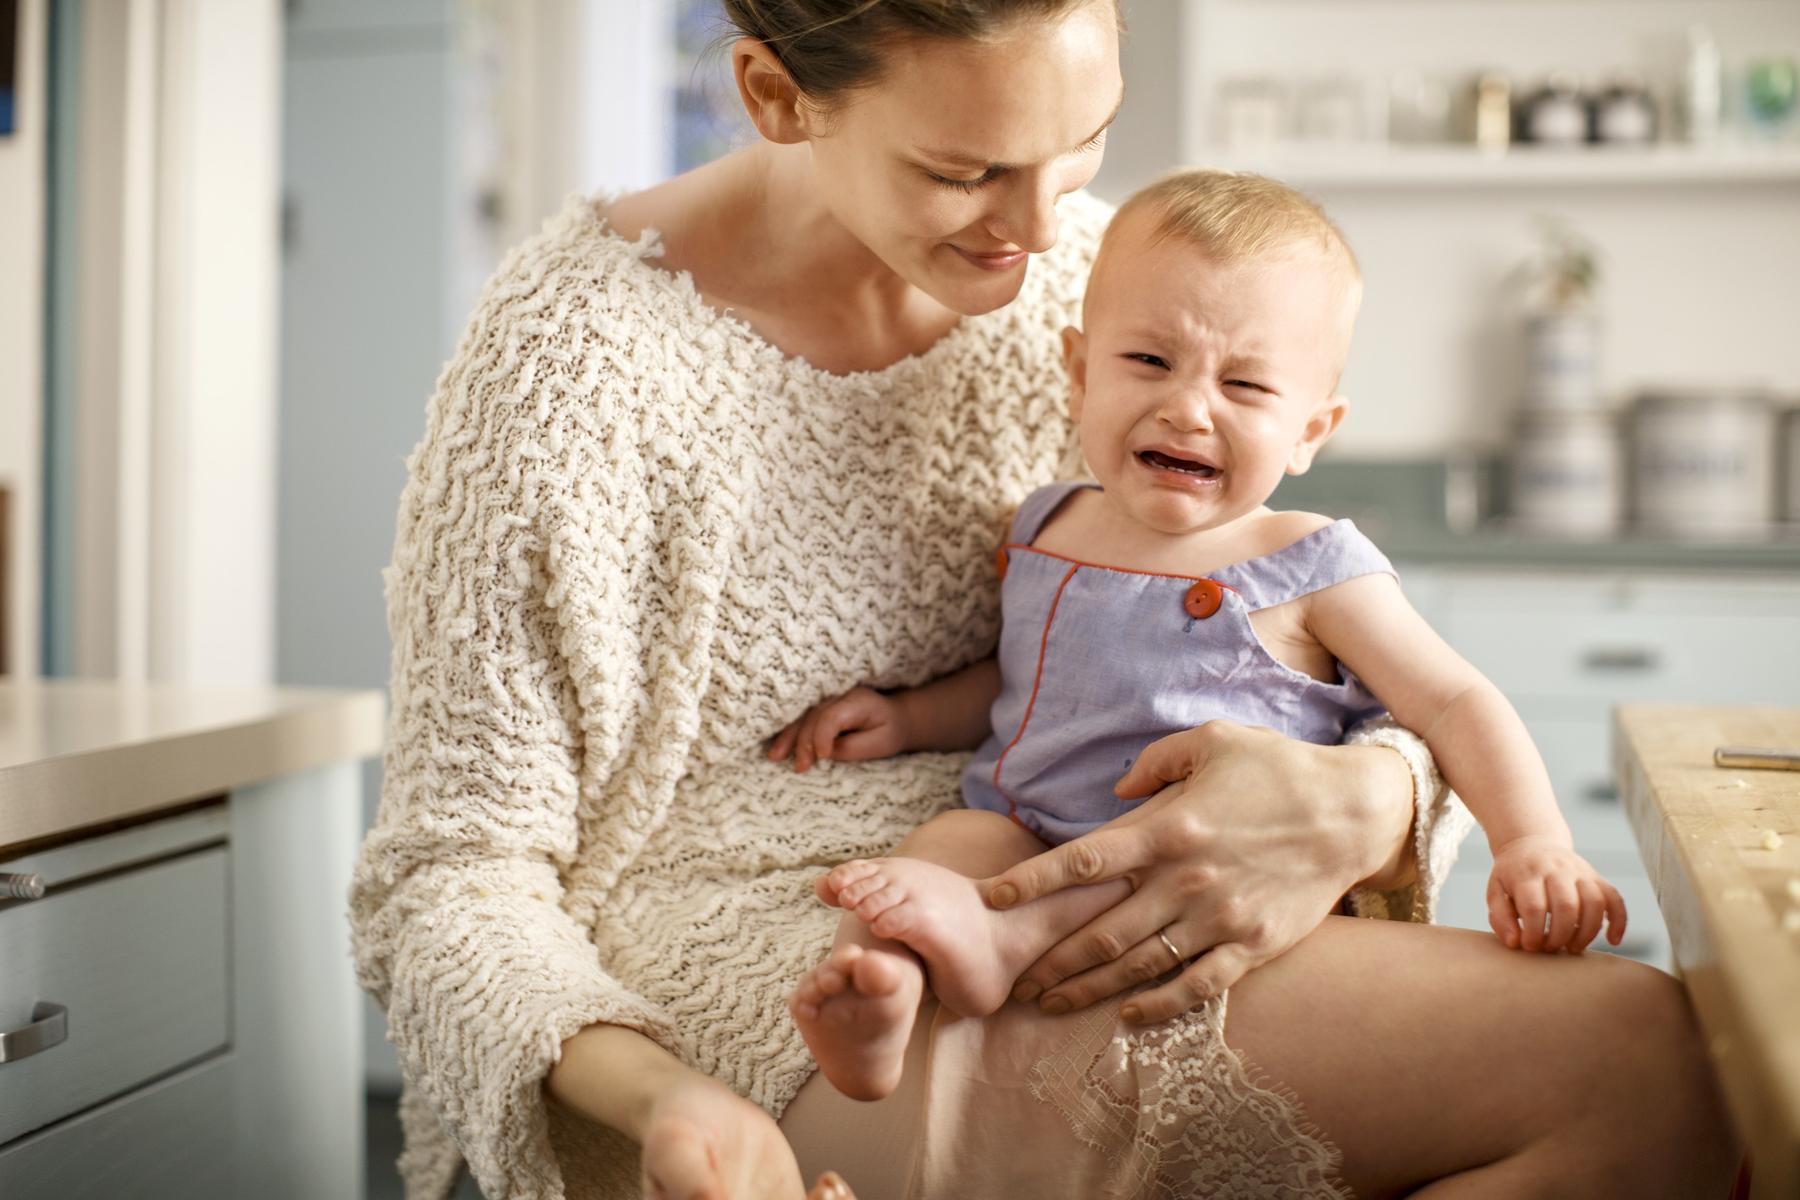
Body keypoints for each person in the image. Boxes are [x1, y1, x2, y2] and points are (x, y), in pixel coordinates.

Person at [348, 1, 1738, 1197]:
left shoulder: (1100, 288)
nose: (1037, 224)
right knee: (1645, 1072)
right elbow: (444, 884)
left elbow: (1299, 638)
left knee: (1673, 1057)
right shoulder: (570, 367)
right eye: (968, 169)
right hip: (777, 985)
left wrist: (1366, 803)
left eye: (1086, 140)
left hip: (1085, 873)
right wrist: (663, 1100)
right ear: (774, 93)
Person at [776, 168, 1633, 1104]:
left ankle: (1000, 943)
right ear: (1078, 372)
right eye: (1149, 361)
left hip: (1199, 867)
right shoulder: (1047, 523)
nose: (1189, 407)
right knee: (943, 848)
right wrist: (905, 720)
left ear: (1311, 430)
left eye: (1245, 383)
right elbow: (1020, 676)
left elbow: (1456, 700)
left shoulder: (1310, 563)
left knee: (1046, 873)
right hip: (1023, 834)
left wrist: (1534, 842)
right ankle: (878, 998)